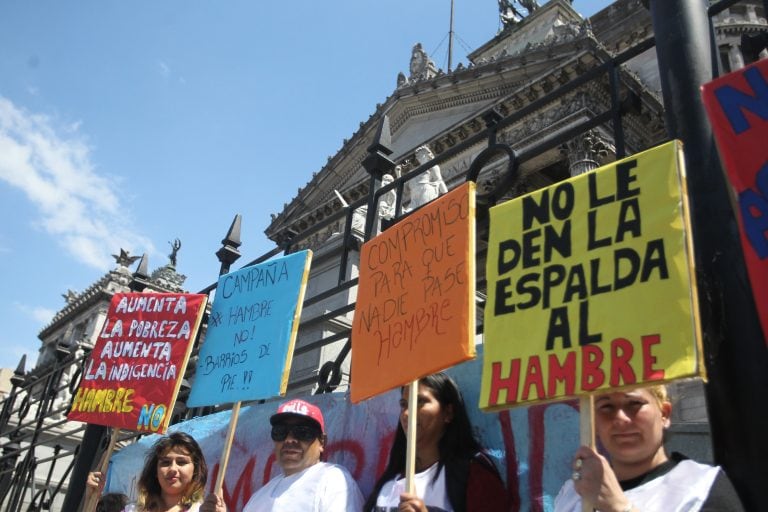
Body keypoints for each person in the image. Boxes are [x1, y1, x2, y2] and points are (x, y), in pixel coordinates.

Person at [554, 385, 745, 512]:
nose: (621, 418)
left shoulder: (702, 487)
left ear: (664, 414)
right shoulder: (571, 494)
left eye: (634, 404)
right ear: (593, 423)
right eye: (606, 406)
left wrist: (619, 507)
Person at [364, 372, 508, 512]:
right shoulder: (390, 480)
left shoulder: (473, 474)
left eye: (420, 402)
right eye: (404, 404)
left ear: (448, 413)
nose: (407, 413)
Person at [201, 398, 363, 512]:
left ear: (322, 442)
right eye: (281, 432)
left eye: (302, 433)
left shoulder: (333, 480)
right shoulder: (259, 496)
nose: (290, 439)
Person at [87, 431, 208, 512]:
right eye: (165, 462)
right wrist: (90, 497)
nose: (173, 469)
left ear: (196, 471)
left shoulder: (202, 510)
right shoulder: (133, 510)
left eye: (181, 462)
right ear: (155, 471)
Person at [407, 146, 448, 211]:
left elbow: (439, 180)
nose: (418, 157)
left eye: (420, 155)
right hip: (415, 193)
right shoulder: (416, 170)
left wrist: (446, 195)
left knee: (424, 210)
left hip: (425, 190)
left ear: (427, 155)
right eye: (417, 156)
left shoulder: (433, 166)